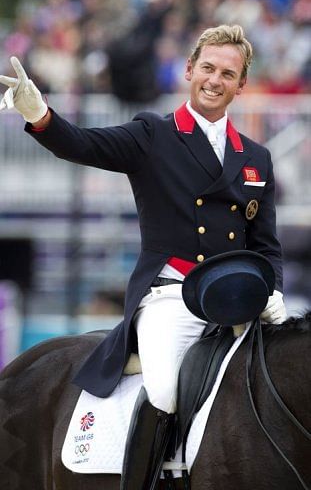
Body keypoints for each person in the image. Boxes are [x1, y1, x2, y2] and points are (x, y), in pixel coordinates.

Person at [0, 24, 286, 489]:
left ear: (241, 84)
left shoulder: (256, 157)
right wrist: (40, 115)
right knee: (165, 389)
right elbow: (82, 144)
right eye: (208, 68)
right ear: (190, 70)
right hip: (172, 297)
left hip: (239, 300)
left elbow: (266, 245)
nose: (215, 80)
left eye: (227, 74)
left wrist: (273, 291)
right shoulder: (153, 135)